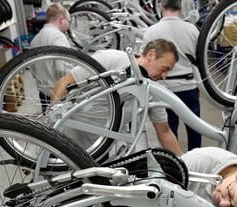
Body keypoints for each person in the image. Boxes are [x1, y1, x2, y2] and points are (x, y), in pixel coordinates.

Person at [51, 39, 183, 157]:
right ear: (151, 55)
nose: (165, 76)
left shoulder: (152, 90)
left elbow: (164, 131)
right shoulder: (110, 59)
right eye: (164, 68)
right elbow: (64, 83)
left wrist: (185, 164)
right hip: (64, 142)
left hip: (99, 149)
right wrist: (51, 125)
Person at [142, 0, 201, 151]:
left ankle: (174, 163)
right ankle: (196, 161)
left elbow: (145, 62)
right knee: (195, 129)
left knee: (168, 130)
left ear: (161, 6)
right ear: (181, 7)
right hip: (189, 86)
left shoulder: (152, 31)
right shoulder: (192, 30)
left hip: (164, 88)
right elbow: (199, 59)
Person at [29, 3, 72, 111]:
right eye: (69, 21)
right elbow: (62, 69)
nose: (69, 24)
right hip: (60, 93)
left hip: (43, 93)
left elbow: (32, 69)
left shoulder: (35, 39)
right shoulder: (58, 37)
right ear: (62, 20)